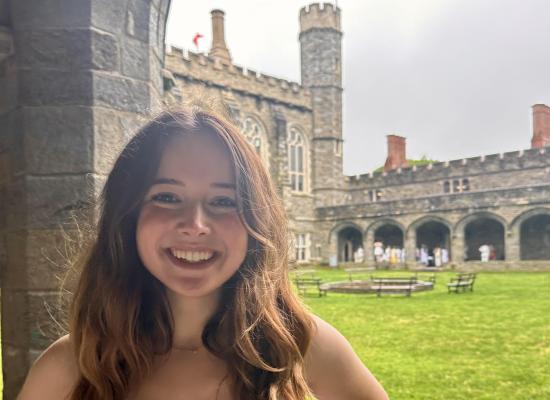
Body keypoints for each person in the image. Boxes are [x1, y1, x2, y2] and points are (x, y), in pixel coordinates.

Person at [18, 107, 389, 400]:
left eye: (223, 201)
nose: (196, 224)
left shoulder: (300, 346)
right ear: (127, 216)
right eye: (167, 196)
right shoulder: (70, 367)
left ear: (254, 221)